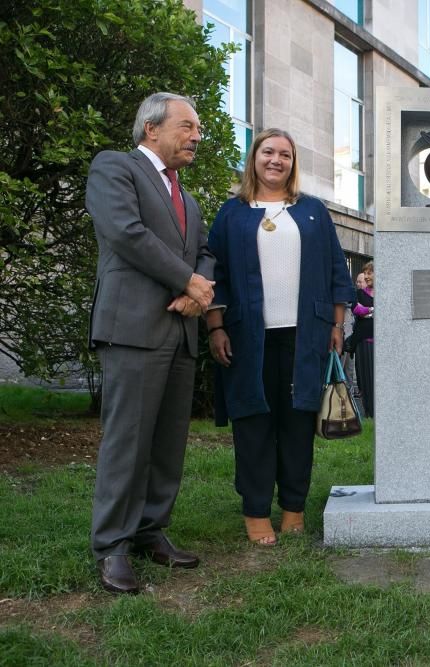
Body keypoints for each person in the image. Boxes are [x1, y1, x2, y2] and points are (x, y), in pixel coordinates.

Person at [86, 92, 215, 594]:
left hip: (181, 330)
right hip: (133, 328)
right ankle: (113, 546)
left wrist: (197, 292)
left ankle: (149, 531)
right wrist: (187, 281)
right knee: (128, 440)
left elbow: (205, 252)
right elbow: (125, 231)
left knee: (166, 443)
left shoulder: (189, 197)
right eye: (187, 126)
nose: (196, 135)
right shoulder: (115, 168)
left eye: (197, 128)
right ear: (151, 129)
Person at [206, 128, 353, 545]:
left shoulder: (312, 212)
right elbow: (213, 275)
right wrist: (215, 326)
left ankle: (293, 507)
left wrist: (337, 326)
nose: (276, 160)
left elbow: (336, 274)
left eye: (284, 154)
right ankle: (255, 511)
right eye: (268, 152)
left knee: (297, 424)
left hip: (305, 335)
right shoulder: (232, 213)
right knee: (253, 423)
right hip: (246, 338)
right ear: (254, 158)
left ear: (293, 163)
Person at [353, 262, 375, 419]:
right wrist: (371, 310)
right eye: (365, 273)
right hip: (363, 341)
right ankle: (368, 412)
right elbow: (357, 309)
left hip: (379, 343)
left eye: (369, 273)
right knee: (365, 378)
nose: (366, 276)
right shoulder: (361, 293)